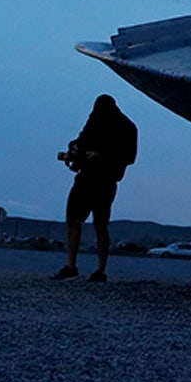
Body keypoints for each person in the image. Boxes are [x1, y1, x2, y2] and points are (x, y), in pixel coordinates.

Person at [54, 94, 138, 282]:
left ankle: (100, 270)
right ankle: (71, 266)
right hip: (86, 177)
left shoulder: (126, 128)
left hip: (106, 179)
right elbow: (81, 140)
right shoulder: (95, 122)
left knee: (100, 224)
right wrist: (75, 149)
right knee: (73, 220)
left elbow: (129, 157)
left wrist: (102, 156)